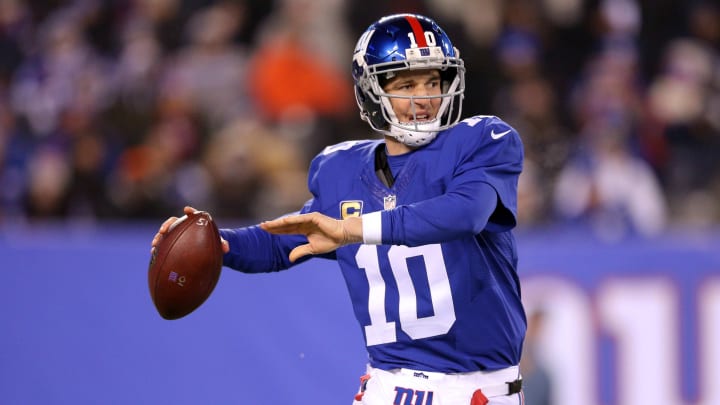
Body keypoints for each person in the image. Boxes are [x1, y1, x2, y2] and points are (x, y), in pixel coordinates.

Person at [152, 13, 526, 405]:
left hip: (475, 391)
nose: (425, 97)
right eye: (407, 84)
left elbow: (465, 213)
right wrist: (212, 241)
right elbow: (289, 242)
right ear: (371, 91)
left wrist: (352, 230)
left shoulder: (482, 141)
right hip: (384, 388)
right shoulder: (341, 170)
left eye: (434, 81)